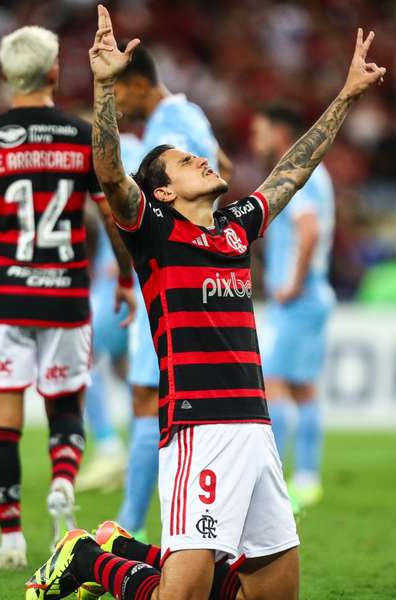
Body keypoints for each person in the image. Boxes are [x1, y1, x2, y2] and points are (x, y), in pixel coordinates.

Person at [26, 6, 385, 600]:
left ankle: (115, 549)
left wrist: (345, 95)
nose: (200, 158)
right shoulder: (153, 231)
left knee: (271, 595)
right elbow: (110, 172)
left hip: (256, 428)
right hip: (201, 427)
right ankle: (88, 558)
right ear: (163, 190)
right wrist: (104, 85)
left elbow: (291, 171)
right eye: (183, 162)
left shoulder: (236, 229)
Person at [0, 25, 135, 570]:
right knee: (64, 406)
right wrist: (125, 277)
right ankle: (61, 481)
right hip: (66, 294)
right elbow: (113, 212)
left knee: (2, 421)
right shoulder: (81, 136)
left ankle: (10, 540)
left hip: (3, 296)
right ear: (54, 72)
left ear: (8, 77)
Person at [109, 42, 230, 537]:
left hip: (170, 271)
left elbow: (180, 195)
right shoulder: (190, 113)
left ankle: (130, 529)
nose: (114, 101)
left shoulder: (169, 128)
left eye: (116, 89)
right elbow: (224, 166)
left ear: (138, 83)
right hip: (195, 268)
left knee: (145, 395)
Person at [250, 105, 335, 510]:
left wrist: (293, 283)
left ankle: (277, 481)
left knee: (275, 384)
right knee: (303, 389)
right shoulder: (313, 173)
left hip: (301, 297)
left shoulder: (301, 174)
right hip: (311, 297)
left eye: (260, 131)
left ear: (280, 133)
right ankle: (307, 478)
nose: (256, 140)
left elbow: (310, 228)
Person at [77, 132, 145, 494]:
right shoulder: (145, 149)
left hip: (117, 281)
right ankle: (142, 449)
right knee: (126, 368)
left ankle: (108, 446)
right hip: (126, 276)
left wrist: (124, 262)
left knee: (82, 354)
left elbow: (122, 209)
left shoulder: (119, 155)